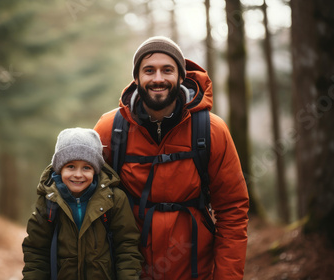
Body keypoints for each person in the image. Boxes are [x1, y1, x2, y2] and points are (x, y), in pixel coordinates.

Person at [94, 36, 249, 279]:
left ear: (181, 76)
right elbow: (84, 197)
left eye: (167, 70)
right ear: (137, 78)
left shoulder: (211, 130)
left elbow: (232, 210)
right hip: (130, 271)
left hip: (195, 270)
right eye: (149, 70)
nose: (158, 79)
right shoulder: (110, 128)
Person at [22, 127, 143, 280]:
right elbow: (36, 251)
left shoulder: (114, 199)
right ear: (59, 169)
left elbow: (127, 247)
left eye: (86, 167)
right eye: (70, 166)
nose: (78, 175)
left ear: (95, 170)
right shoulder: (48, 201)